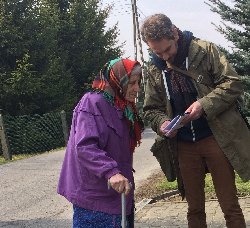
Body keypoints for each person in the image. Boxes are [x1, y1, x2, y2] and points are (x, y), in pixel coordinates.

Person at [140, 13, 250, 228]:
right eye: (157, 52)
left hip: (215, 138)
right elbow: (151, 109)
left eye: (167, 49)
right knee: (195, 209)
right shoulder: (154, 68)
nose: (164, 56)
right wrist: (162, 123)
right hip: (183, 146)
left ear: (174, 34)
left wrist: (203, 105)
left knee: (230, 206)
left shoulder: (205, 50)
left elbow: (233, 83)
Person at [57, 58, 143, 228]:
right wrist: (111, 172)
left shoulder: (123, 106)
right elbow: (85, 147)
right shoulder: (92, 103)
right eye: (132, 83)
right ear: (118, 80)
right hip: (95, 201)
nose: (137, 88)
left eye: (139, 82)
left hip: (120, 197)